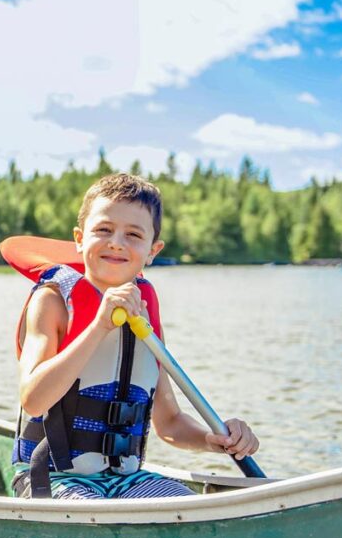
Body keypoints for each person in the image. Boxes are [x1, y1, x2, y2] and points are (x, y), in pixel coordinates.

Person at [14, 173, 259, 499]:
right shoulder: (53, 302)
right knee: (96, 518)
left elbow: (169, 423)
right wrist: (99, 326)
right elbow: (33, 398)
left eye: (133, 234)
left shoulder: (145, 312)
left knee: (191, 510)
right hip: (50, 475)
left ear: (152, 250)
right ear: (79, 238)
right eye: (103, 230)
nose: (117, 242)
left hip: (124, 482)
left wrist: (210, 440)